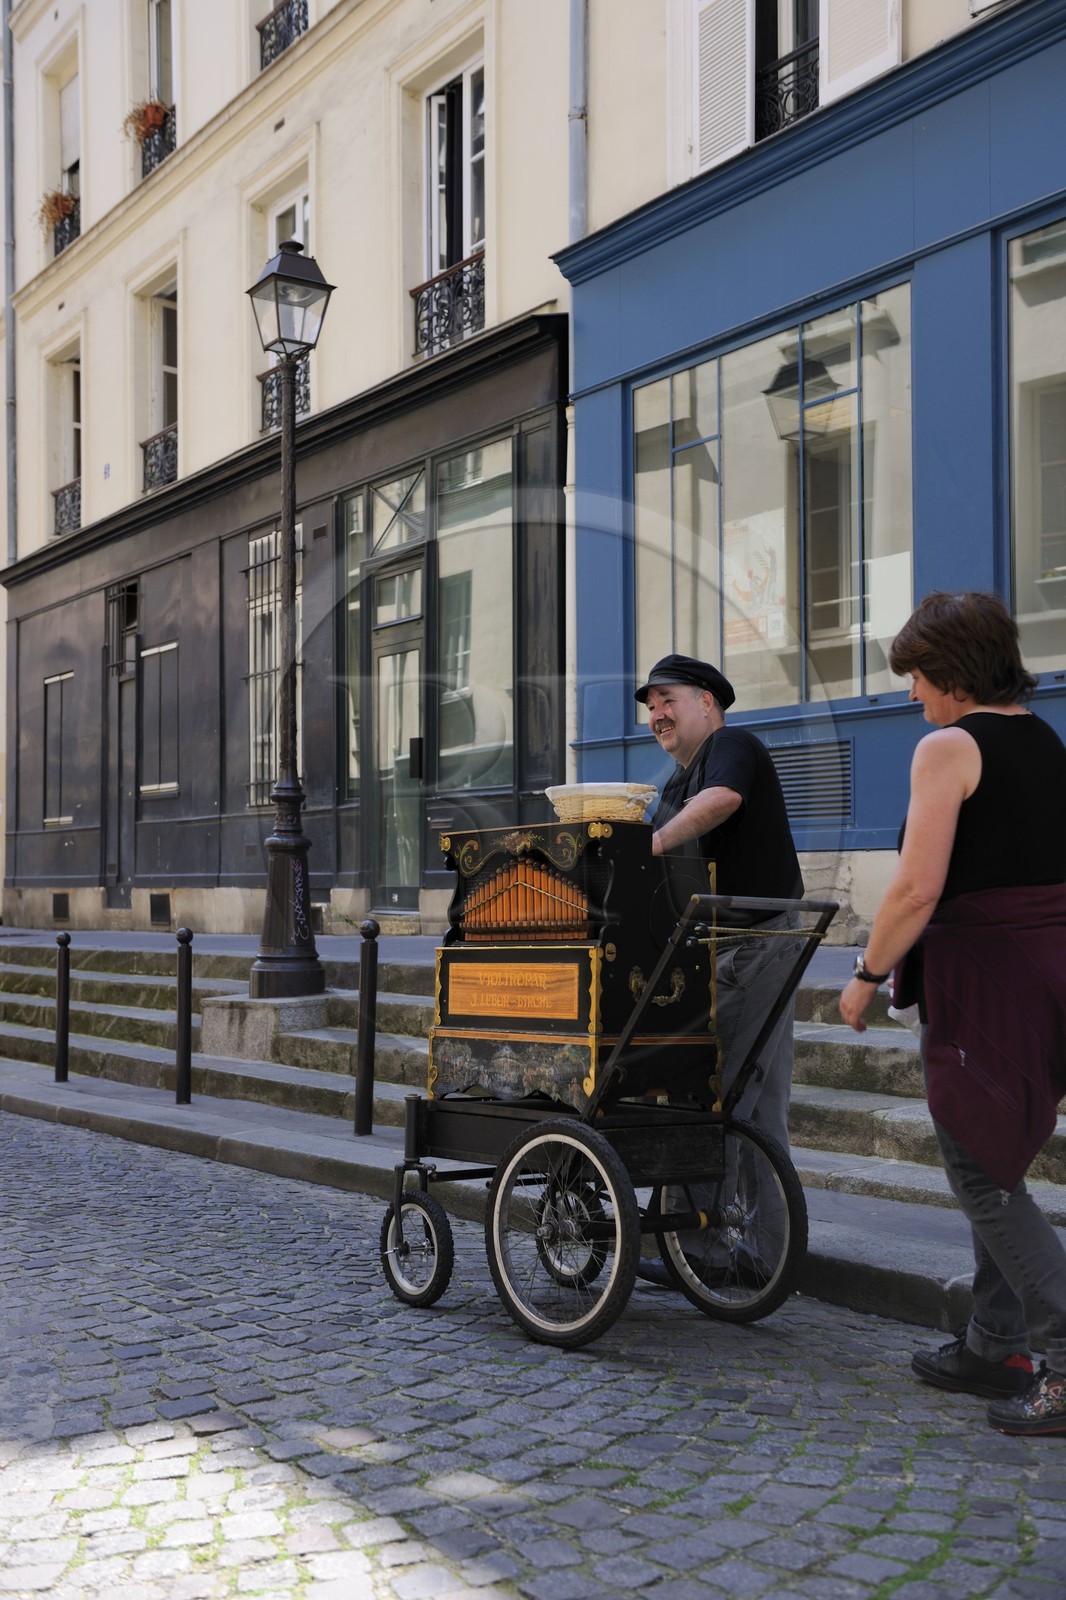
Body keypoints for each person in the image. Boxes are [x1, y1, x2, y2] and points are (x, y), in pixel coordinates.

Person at [839, 591, 1066, 1436]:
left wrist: (867, 972)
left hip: (989, 983)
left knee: (978, 1168)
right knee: (995, 1155)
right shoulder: (1044, 740)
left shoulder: (950, 745)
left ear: (954, 675)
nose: (911, 696)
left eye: (920, 678)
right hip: (1044, 973)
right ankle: (993, 1342)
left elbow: (917, 886)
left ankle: (1060, 1353)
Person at [635, 653, 804, 1155]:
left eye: (669, 700)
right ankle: (768, 1234)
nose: (657, 714)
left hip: (750, 944)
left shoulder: (729, 744)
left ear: (706, 702)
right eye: (651, 705)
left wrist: (654, 843)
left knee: (712, 1095)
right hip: (739, 945)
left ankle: (702, 1234)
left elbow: (724, 798)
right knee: (759, 1109)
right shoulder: (676, 781)